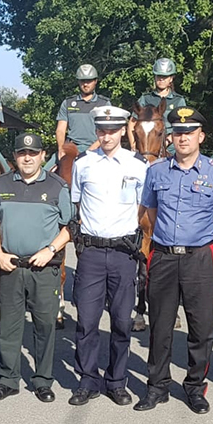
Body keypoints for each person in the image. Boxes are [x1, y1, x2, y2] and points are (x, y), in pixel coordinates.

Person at [135, 107, 213, 414]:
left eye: (189, 133)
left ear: (201, 137)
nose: (182, 138)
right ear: (171, 137)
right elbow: (149, 213)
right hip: (164, 257)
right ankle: (157, 386)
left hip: (199, 259)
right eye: (177, 133)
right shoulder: (156, 172)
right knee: (161, 326)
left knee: (201, 327)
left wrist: (204, 239)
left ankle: (195, 387)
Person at [69, 105, 148, 407]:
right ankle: (87, 380)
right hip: (90, 252)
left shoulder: (138, 164)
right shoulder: (83, 164)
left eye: (112, 130)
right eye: (101, 130)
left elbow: (145, 207)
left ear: (122, 131)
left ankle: (117, 381)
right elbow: (77, 205)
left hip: (123, 253)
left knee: (121, 322)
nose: (106, 135)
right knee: (86, 321)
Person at [0, 132, 73, 403]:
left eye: (33, 153)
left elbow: (70, 227)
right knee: (10, 327)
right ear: (15, 156)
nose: (27, 158)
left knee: (44, 326)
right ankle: (8, 380)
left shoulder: (58, 186)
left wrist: (50, 251)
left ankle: (43, 380)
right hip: (10, 265)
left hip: (43, 269)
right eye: (22, 153)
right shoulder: (1, 185)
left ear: (42, 156)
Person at [46, 64, 111, 171]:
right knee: (44, 173)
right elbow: (60, 130)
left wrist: (92, 149)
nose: (85, 84)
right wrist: (61, 148)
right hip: (71, 148)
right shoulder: (68, 103)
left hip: (97, 148)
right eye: (82, 81)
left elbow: (108, 131)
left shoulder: (104, 103)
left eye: (89, 81)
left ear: (95, 81)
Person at [136, 58, 187, 135]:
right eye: (159, 76)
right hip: (150, 141)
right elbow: (132, 123)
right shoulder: (145, 99)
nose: (161, 79)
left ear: (171, 78)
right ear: (155, 77)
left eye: (165, 77)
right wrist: (133, 146)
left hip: (172, 144)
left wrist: (169, 140)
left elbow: (182, 125)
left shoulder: (178, 100)